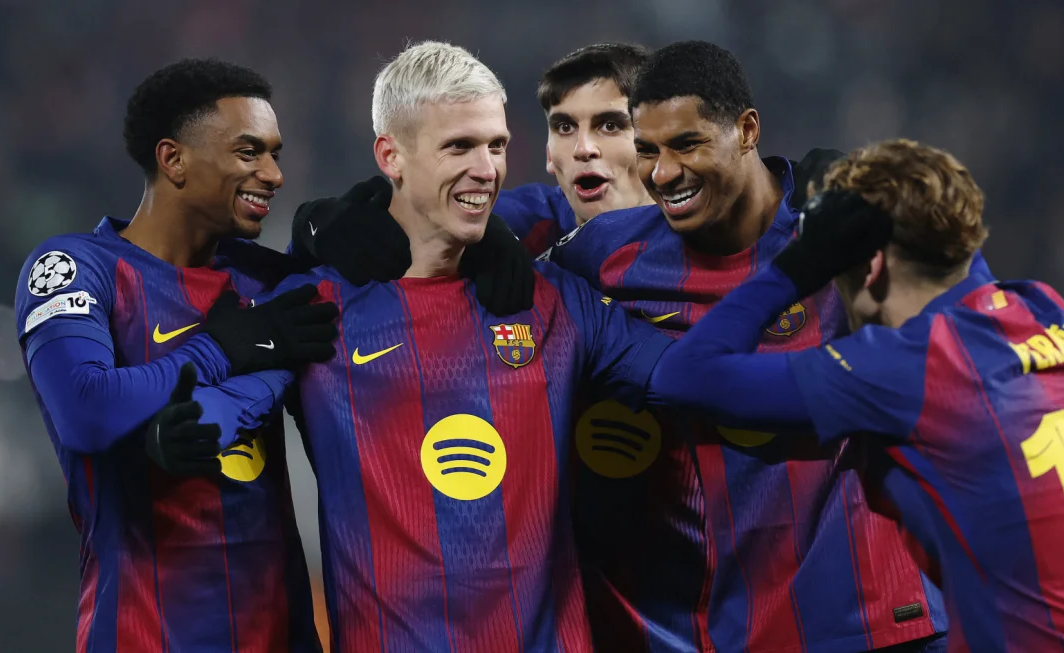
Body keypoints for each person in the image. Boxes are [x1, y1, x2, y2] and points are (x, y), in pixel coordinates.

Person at [152, 41, 675, 651]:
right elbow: (243, 394)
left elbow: (695, 376)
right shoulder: (329, 304)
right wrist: (320, 222)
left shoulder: (561, 289)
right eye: (460, 146)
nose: (487, 168)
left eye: (497, 145)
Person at [651, 138, 1064, 651]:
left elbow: (683, 375)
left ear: (871, 267)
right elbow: (961, 275)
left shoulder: (905, 368)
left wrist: (801, 264)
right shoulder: (1047, 309)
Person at [539, 42, 948, 651]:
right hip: (714, 627)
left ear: (748, 130)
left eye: (687, 144)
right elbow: (500, 283)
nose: (663, 173)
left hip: (873, 622)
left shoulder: (842, 229)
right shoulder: (604, 254)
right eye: (648, 150)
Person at [14, 59, 338, 651]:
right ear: (174, 159)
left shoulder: (265, 280)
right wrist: (221, 349)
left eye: (275, 154)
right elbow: (85, 409)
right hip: (142, 633)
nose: (273, 175)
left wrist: (344, 227)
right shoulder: (76, 268)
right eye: (248, 152)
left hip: (280, 634)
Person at [493, 43, 655, 254]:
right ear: (549, 154)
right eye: (565, 127)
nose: (583, 149)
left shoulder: (693, 245)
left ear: (659, 145)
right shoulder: (525, 222)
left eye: (610, 126)